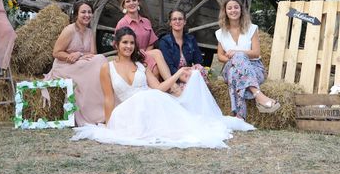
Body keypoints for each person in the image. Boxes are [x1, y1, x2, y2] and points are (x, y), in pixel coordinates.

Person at [71, 27, 254, 148]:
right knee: (146, 104)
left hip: (150, 103)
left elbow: (158, 89)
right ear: (116, 44)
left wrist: (177, 73)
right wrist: (109, 123)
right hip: (127, 112)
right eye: (124, 43)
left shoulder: (141, 66)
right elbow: (109, 98)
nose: (128, 46)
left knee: (178, 121)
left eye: (131, 43)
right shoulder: (107, 67)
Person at [216, 0, 281, 120]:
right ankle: (258, 95)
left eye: (236, 7)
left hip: (254, 68)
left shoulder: (252, 28)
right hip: (229, 65)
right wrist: (234, 59)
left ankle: (240, 116)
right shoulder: (220, 33)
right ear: (225, 11)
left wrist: (237, 53)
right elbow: (220, 56)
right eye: (229, 8)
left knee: (234, 73)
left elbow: (256, 53)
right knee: (236, 62)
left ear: (241, 10)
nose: (233, 10)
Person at [44, 0, 107, 126]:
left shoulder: (90, 32)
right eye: (83, 12)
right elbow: (56, 53)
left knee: (100, 60)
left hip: (80, 65)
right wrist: (71, 57)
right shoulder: (69, 30)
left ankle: (100, 110)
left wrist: (80, 55)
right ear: (76, 14)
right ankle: (90, 115)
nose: (87, 15)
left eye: (89, 12)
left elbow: (93, 54)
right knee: (97, 62)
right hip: (64, 66)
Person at [114, 0, 173, 86]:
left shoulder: (146, 21)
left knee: (156, 68)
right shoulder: (122, 23)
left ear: (138, 2)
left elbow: (151, 43)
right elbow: (117, 45)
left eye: (134, 0)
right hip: (131, 56)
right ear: (124, 5)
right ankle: (171, 85)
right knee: (157, 53)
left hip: (145, 54)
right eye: (128, 1)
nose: (131, 3)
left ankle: (160, 90)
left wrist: (144, 55)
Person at [158, 9, 208, 85]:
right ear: (170, 23)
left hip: (189, 74)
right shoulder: (164, 42)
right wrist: (183, 78)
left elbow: (199, 61)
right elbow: (169, 67)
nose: (177, 21)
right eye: (174, 19)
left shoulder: (191, 39)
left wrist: (194, 71)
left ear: (184, 22)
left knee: (200, 69)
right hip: (174, 78)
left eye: (180, 19)